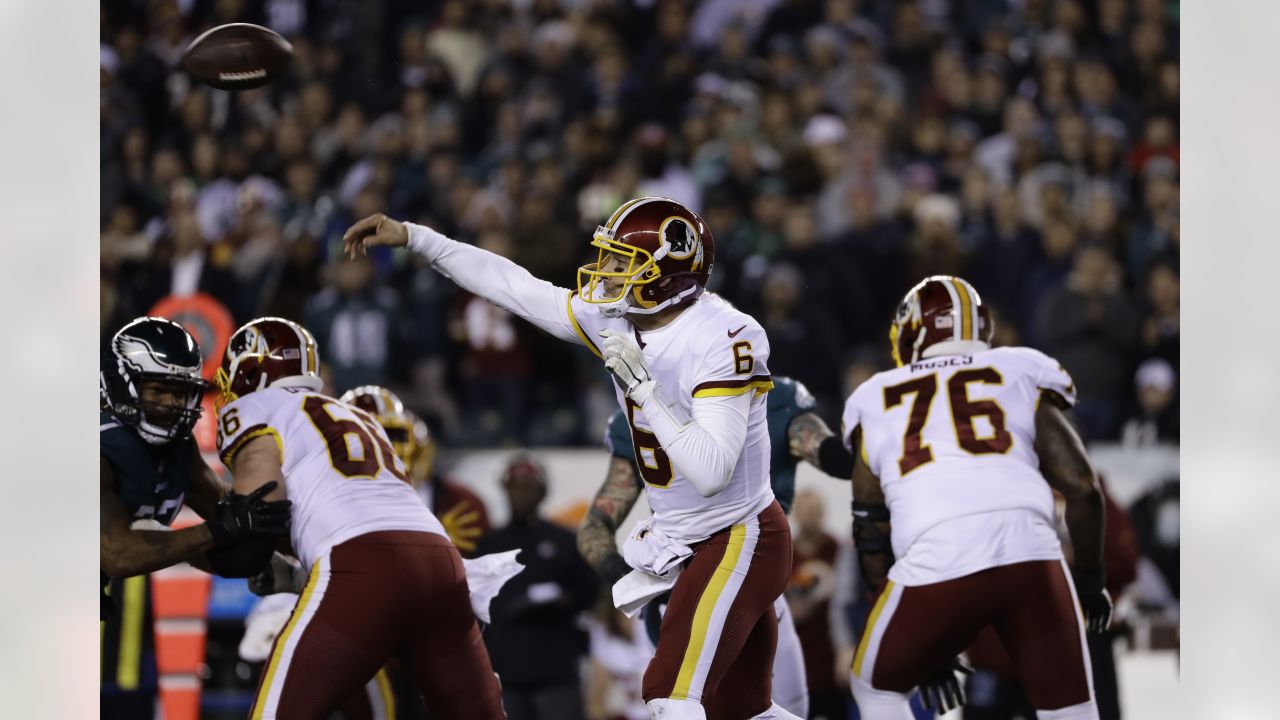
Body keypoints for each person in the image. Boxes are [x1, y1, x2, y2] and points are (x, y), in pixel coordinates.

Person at [344, 197, 801, 719]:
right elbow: (513, 287)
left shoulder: (722, 336)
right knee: (744, 712)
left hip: (738, 536)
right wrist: (419, 238)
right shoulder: (619, 319)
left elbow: (713, 472)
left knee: (668, 696)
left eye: (621, 262)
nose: (605, 274)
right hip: (691, 540)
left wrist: (645, 389)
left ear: (666, 273)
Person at [841, 276, 1111, 720]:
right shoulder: (1020, 368)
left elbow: (870, 529)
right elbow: (1082, 486)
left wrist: (921, 643)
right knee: (1072, 710)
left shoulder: (874, 396)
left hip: (936, 561)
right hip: (1032, 553)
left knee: (874, 687)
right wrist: (1089, 578)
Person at [214, 316, 506, 719]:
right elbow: (357, 515)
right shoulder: (361, 418)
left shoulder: (254, 407)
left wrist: (215, 536)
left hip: (360, 566)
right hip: (441, 560)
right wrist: (298, 575)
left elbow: (261, 511)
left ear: (249, 372)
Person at [577, 375, 855, 718]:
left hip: (756, 577)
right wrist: (633, 580)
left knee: (772, 706)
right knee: (692, 703)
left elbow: (838, 459)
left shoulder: (770, 395)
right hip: (696, 585)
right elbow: (594, 528)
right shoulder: (640, 411)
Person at [100, 317, 293, 720]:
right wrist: (215, 532)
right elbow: (115, 554)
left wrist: (309, 554)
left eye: (180, 392)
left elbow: (236, 513)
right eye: (158, 389)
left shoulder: (177, 451)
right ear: (121, 383)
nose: (171, 404)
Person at [475, 455, 601, 720]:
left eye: (528, 487)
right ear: (505, 490)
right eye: (516, 487)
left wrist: (562, 600)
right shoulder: (487, 546)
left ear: (541, 492)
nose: (522, 495)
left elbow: (591, 591)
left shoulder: (565, 541)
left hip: (555, 671)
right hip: (503, 672)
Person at [339, 385, 491, 555]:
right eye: (365, 435)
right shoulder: (317, 506)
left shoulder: (460, 504)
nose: (380, 445)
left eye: (391, 435)